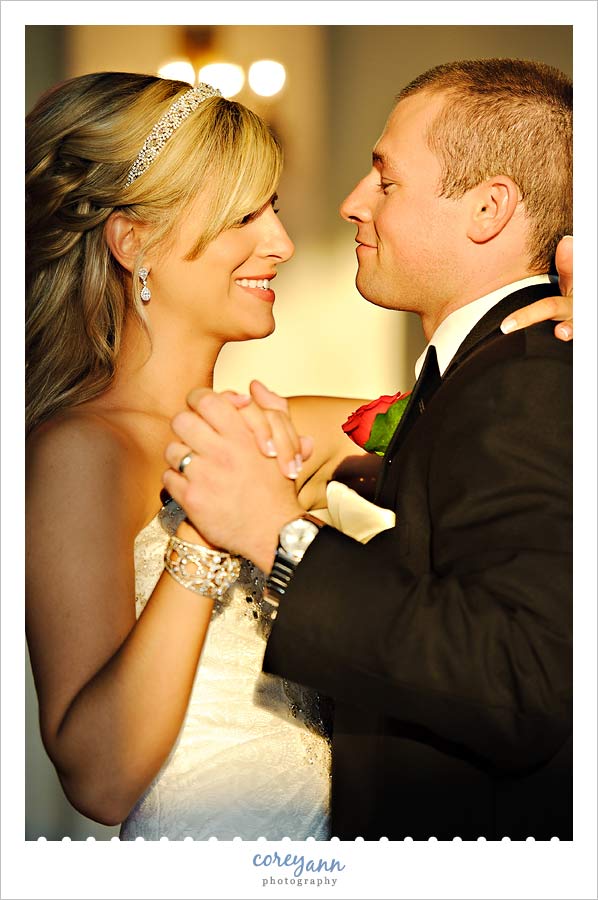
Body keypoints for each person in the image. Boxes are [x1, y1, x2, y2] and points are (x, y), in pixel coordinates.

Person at [163, 58, 574, 840]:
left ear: (489, 208)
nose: (354, 202)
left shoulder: (526, 378)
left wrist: (276, 536)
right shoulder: (490, 373)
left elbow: (523, 677)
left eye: (386, 180)